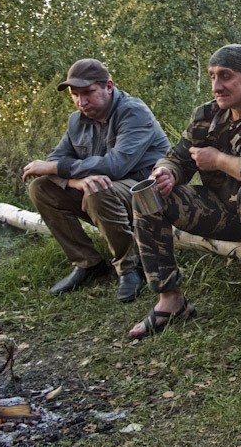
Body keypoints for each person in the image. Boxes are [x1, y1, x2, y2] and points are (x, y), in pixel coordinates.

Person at [128, 44, 241, 344]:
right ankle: (171, 300)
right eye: (212, 76)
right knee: (148, 192)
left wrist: (218, 160)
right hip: (221, 210)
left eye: (226, 76)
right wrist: (165, 172)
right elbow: (176, 156)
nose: (216, 86)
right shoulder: (208, 114)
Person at [22, 58, 169, 302]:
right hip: (110, 190)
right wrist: (74, 182)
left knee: (99, 189)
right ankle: (88, 263)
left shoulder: (134, 112)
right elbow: (57, 160)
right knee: (40, 188)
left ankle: (130, 268)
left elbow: (116, 165)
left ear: (108, 86)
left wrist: (59, 168)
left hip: (150, 190)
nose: (81, 101)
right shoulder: (76, 120)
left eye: (88, 92)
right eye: (75, 95)